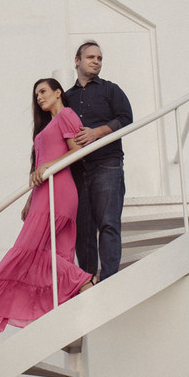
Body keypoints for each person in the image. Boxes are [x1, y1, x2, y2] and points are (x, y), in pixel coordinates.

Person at [0, 78, 96, 333]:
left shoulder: (67, 114)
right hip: (42, 193)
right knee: (46, 254)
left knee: (29, 250)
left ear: (58, 93)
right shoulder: (45, 128)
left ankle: (82, 280)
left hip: (60, 191)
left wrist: (49, 166)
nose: (39, 97)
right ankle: (81, 285)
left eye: (43, 91)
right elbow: (40, 167)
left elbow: (77, 151)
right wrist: (29, 198)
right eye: (36, 95)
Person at [67, 41, 132, 280]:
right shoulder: (67, 97)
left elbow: (126, 118)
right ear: (77, 61)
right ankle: (87, 282)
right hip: (77, 169)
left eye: (100, 58)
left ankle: (109, 279)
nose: (96, 61)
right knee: (83, 231)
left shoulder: (110, 89)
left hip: (107, 163)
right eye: (91, 57)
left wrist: (97, 132)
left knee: (108, 223)